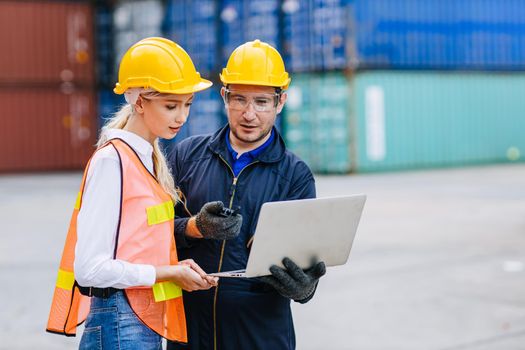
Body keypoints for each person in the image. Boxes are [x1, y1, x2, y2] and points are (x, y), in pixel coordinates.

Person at [46, 37, 241, 349]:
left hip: (138, 323)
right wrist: (168, 273)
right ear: (138, 102)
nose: (182, 117)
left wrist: (178, 268)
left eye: (187, 104)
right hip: (120, 323)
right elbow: (90, 268)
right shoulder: (113, 162)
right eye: (170, 105)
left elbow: (139, 245)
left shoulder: (145, 160)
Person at [166, 39, 326, 350]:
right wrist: (193, 227)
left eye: (262, 102)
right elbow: (149, 234)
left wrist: (305, 287)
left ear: (280, 102)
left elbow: (302, 256)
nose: (249, 114)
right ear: (224, 96)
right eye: (239, 99)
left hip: (259, 335)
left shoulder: (295, 176)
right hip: (189, 330)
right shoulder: (185, 157)